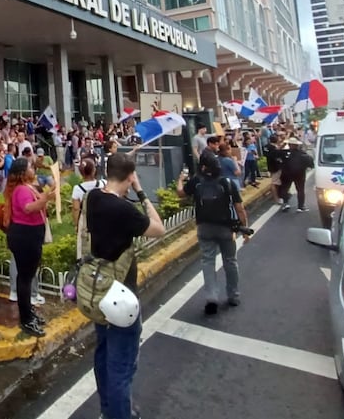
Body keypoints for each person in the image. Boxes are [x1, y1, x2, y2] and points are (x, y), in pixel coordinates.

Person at [87, 153, 165, 419]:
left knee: (103, 354)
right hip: (122, 295)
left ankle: (107, 410)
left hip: (98, 287)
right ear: (130, 176)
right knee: (121, 366)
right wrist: (141, 192)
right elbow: (158, 229)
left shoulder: (94, 198)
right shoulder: (124, 210)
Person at [176, 152, 247, 315]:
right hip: (226, 228)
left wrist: (180, 179)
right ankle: (233, 296)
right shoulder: (227, 182)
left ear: (202, 166)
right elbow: (240, 208)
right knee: (230, 261)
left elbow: (180, 193)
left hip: (204, 228)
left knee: (208, 261)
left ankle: (211, 298)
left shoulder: (196, 181)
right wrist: (245, 229)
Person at [3, 157, 55, 337]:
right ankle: (26, 318)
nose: (33, 169)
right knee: (25, 278)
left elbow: (39, 202)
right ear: (23, 172)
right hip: (25, 236)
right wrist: (45, 198)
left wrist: (48, 195)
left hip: (31, 235)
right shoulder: (21, 189)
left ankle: (28, 312)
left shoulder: (28, 187)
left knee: (27, 275)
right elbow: (28, 208)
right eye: (30, 167)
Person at [71, 158, 105, 260]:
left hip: (85, 219)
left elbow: (76, 208)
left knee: (85, 242)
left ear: (81, 173)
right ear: (94, 170)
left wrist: (76, 225)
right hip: (103, 216)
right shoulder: (103, 183)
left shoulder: (77, 189)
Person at [279, 137, 314, 212]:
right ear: (297, 145)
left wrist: (282, 146)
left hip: (286, 173)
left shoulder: (284, 153)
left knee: (285, 189)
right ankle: (300, 206)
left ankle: (285, 203)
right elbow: (310, 163)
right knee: (300, 190)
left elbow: (275, 153)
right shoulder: (302, 154)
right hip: (299, 174)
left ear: (289, 144)